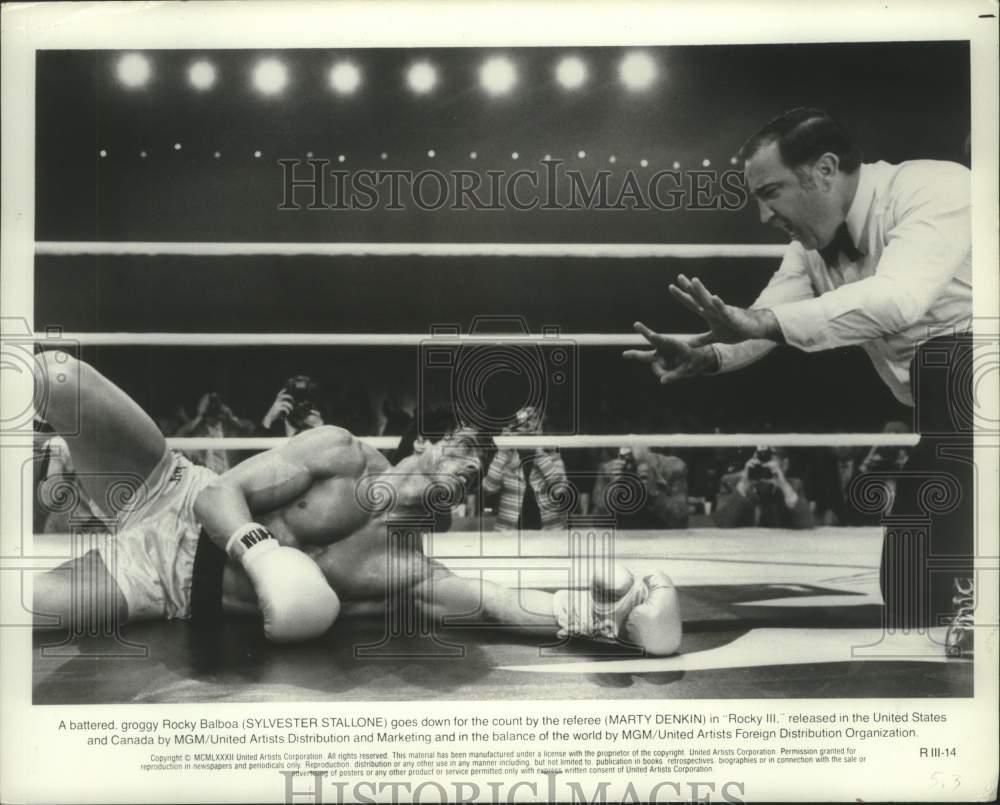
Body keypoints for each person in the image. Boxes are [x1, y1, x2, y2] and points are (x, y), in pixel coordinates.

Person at [31, 352, 681, 656]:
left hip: (161, 583)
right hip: (167, 490)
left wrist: (605, 616)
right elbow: (224, 492)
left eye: (478, 468)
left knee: (22, 613)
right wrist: (261, 554)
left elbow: (494, 602)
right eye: (461, 452)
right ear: (422, 444)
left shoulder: (409, 571)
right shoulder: (339, 449)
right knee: (58, 374)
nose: (468, 472)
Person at [624, 108, 972, 649]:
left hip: (977, 395)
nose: (764, 215)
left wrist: (761, 323)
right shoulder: (809, 250)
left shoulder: (935, 188)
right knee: (909, 595)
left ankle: (983, 597)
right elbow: (763, 320)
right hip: (953, 424)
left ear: (825, 170)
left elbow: (899, 299)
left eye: (771, 192)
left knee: (953, 366)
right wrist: (709, 357)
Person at [481, 405, 569, 532]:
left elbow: (560, 489)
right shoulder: (507, 456)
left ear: (541, 429)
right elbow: (489, 487)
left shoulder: (552, 454)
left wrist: (539, 453)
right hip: (508, 533)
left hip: (548, 532)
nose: (528, 430)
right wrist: (502, 452)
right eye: (523, 425)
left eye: (534, 426)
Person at [713, 446, 814, 529]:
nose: (763, 461)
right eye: (759, 456)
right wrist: (743, 486)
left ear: (785, 464)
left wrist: (784, 486)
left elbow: (807, 525)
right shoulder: (731, 482)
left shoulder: (792, 486)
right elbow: (722, 524)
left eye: (770, 456)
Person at [592, 445, 689, 529]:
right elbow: (597, 523)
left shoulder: (673, 468)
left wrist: (654, 491)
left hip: (663, 540)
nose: (632, 470)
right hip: (624, 540)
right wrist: (612, 491)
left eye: (636, 465)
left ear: (650, 460)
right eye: (628, 465)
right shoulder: (608, 470)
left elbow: (681, 522)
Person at [174, 391, 256, 474]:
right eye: (208, 406)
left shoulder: (231, 429)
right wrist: (199, 416)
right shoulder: (198, 432)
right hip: (208, 478)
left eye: (215, 405)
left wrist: (232, 417)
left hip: (231, 476)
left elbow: (251, 428)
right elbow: (177, 440)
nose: (212, 408)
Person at [259, 375, 325, 437]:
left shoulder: (320, 430)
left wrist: (322, 431)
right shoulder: (275, 431)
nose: (300, 405)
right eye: (295, 400)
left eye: (306, 403)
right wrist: (268, 420)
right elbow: (253, 447)